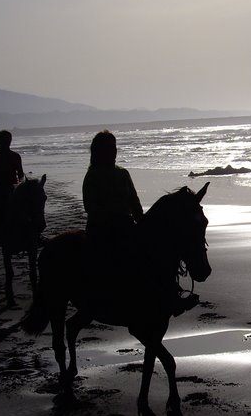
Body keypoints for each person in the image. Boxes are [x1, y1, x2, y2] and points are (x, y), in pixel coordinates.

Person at [82, 130, 196, 316]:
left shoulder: (123, 173)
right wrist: (115, 218)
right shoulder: (92, 175)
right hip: (102, 229)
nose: (114, 152)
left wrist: (144, 225)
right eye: (110, 148)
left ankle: (172, 293)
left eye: (115, 147)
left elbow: (134, 203)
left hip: (125, 225)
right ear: (100, 151)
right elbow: (91, 207)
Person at [0, 130, 25, 223]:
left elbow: (21, 174)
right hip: (1, 189)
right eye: (6, 140)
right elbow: (20, 175)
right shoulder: (13, 156)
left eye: (9, 139)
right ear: (0, 141)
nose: (8, 142)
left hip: (9, 187)